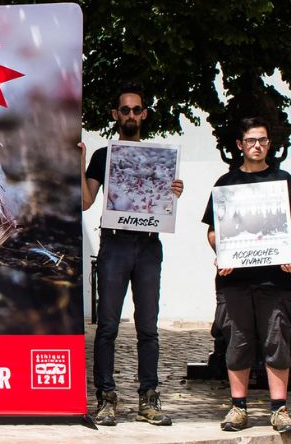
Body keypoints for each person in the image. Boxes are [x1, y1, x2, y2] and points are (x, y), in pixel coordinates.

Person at [78, 83, 183, 426]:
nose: (131, 115)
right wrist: (80, 165)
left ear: (145, 114)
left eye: (137, 110)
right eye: (125, 110)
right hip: (116, 243)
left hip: (149, 244)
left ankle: (149, 399)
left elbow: (161, 203)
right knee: (107, 325)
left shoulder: (159, 157)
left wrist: (174, 191)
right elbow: (84, 202)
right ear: (115, 115)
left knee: (148, 327)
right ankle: (106, 398)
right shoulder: (103, 156)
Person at [203, 117, 291, 434]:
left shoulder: (283, 182)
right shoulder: (225, 184)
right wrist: (221, 253)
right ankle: (238, 409)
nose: (257, 145)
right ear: (240, 145)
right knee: (238, 342)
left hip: (277, 279)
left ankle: (280, 410)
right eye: (251, 140)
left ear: (269, 143)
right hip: (234, 279)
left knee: (277, 341)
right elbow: (213, 232)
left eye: (262, 140)